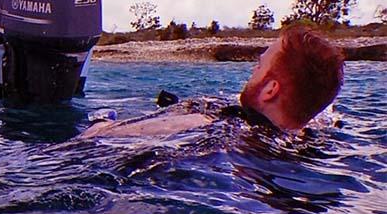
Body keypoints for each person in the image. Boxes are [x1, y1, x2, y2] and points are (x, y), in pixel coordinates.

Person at [79, 25, 345, 138]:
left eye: (260, 65)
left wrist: (102, 125)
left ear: (270, 90)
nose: (254, 68)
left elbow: (97, 138)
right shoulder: (305, 135)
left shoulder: (206, 125)